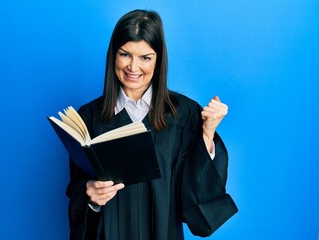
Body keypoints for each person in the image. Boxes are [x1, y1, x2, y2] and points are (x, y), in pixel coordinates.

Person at [66, 9, 238, 240]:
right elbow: (78, 189)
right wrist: (90, 196)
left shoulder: (183, 114)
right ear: (113, 55)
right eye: (125, 54)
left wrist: (207, 132)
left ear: (158, 60)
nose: (133, 67)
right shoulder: (89, 117)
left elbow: (193, 196)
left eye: (145, 57)